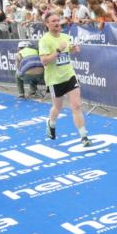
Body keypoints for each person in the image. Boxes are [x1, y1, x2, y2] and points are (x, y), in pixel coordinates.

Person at [39, 13, 90, 146]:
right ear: (47, 24)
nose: (57, 23)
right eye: (53, 21)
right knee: (58, 107)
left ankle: (84, 136)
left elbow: (71, 51)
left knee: (76, 106)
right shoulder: (45, 40)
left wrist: (74, 49)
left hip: (69, 75)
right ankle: (51, 123)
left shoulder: (66, 37)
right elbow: (44, 61)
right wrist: (58, 50)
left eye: (58, 20)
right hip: (55, 80)